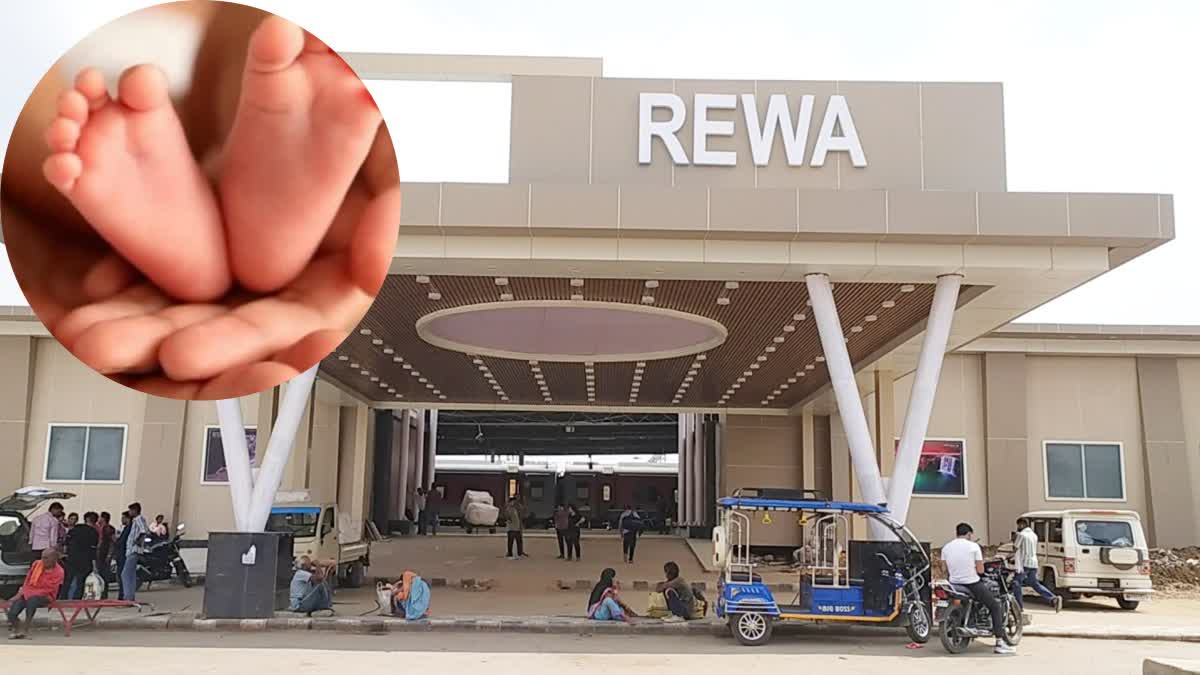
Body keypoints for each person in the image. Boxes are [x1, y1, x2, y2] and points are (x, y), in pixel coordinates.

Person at [942, 522, 1014, 655]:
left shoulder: (946, 547)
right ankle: (999, 642)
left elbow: (944, 569)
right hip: (971, 583)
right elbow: (980, 570)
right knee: (995, 606)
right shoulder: (973, 546)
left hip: (954, 584)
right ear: (969, 534)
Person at [5, 549, 65, 640]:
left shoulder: (59, 571)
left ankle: (26, 629)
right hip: (28, 592)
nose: (43, 560)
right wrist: (21, 593)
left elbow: (49, 589)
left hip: (46, 596)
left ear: (54, 559)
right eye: (42, 557)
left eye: (46, 558)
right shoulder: (36, 564)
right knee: (13, 611)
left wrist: (30, 593)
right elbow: (27, 580)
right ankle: (18, 629)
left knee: (32, 601)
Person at [1011, 518, 1061, 612]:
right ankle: (1053, 598)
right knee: (1034, 583)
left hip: (1024, 563)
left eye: (1018, 525)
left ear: (1022, 525)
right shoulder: (1034, 535)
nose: (1018, 527)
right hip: (1033, 563)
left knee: (1016, 583)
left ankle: (1018, 607)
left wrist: (1014, 540)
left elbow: (1015, 548)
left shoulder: (1021, 535)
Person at [64, 512, 100, 600]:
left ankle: (64, 598)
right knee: (81, 581)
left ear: (85, 519)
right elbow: (93, 551)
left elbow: (66, 544)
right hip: (85, 560)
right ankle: (76, 599)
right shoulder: (94, 532)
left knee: (68, 580)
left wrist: (66, 554)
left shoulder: (75, 529)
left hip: (71, 558)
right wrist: (94, 565)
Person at [121, 503, 149, 602]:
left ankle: (127, 597)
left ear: (135, 510)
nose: (129, 512)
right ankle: (130, 596)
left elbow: (143, 530)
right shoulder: (135, 520)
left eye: (130, 510)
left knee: (125, 574)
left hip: (134, 550)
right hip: (131, 550)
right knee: (131, 574)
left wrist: (138, 541)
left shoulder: (138, 519)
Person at [95, 512, 117, 600]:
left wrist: (109, 555)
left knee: (104, 574)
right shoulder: (99, 528)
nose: (98, 519)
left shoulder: (108, 529)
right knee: (99, 573)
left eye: (100, 517)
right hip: (99, 554)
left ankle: (104, 593)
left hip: (104, 554)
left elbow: (112, 542)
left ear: (103, 518)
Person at [114, 511, 131, 599]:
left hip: (123, 555)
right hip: (121, 554)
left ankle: (122, 594)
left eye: (123, 518)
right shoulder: (125, 528)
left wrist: (116, 541)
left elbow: (122, 542)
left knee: (122, 575)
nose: (121, 520)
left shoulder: (128, 528)